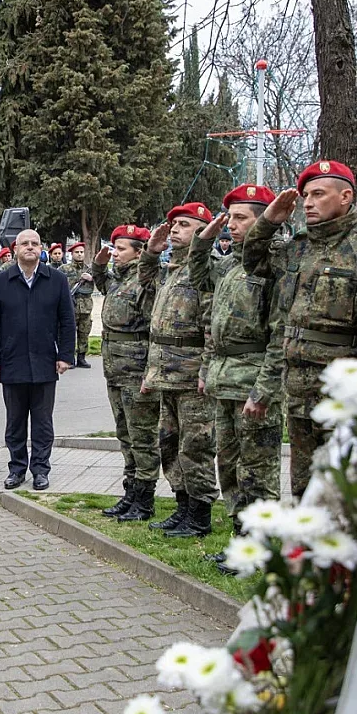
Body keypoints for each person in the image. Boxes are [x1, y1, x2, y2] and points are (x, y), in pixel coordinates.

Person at [243, 160, 357, 497]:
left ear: (345, 197)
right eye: (305, 196)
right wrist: (269, 220)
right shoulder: (298, 247)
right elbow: (254, 261)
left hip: (342, 390)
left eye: (318, 194)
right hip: (298, 388)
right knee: (302, 484)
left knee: (342, 487)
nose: (308, 202)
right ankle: (306, 547)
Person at [189, 186, 283, 566]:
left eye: (241, 217)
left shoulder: (274, 265)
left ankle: (260, 546)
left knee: (257, 469)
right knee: (228, 464)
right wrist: (206, 234)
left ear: (265, 218)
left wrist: (264, 390)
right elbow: (199, 273)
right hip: (225, 377)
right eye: (230, 218)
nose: (233, 225)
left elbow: (280, 333)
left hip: (253, 379)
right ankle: (239, 538)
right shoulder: (230, 265)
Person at [140, 202, 220, 538]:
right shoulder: (171, 268)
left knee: (196, 446)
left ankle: (200, 516)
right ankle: (182, 508)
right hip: (166, 373)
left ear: (203, 231)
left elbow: (212, 323)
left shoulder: (208, 269)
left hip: (191, 374)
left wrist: (206, 369)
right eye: (173, 224)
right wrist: (150, 252)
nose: (174, 230)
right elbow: (144, 290)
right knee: (169, 443)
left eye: (184, 225)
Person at [0, 229, 76, 491]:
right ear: (15, 249)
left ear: (41, 249)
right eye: (25, 243)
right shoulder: (1, 281)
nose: (30, 247)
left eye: (35, 244)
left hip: (45, 363)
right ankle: (16, 469)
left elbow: (67, 322)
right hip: (12, 364)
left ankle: (41, 470)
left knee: (43, 422)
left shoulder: (56, 279)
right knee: (15, 422)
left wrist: (65, 356)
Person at [91, 225, 160, 522]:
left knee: (142, 438)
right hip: (115, 371)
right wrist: (99, 265)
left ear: (139, 252)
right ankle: (130, 493)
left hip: (136, 371)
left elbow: (154, 331)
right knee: (125, 435)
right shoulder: (119, 280)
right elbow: (102, 282)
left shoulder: (145, 282)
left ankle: (144, 501)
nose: (115, 253)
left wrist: (151, 373)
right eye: (114, 248)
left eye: (121, 249)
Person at [60, 241, 94, 368]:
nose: (80, 255)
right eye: (77, 252)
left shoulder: (89, 270)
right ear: (72, 254)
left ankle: (81, 358)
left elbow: (100, 283)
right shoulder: (65, 269)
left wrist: (91, 278)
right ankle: (70, 358)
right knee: (69, 333)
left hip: (85, 307)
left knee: (84, 333)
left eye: (81, 252)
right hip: (70, 306)